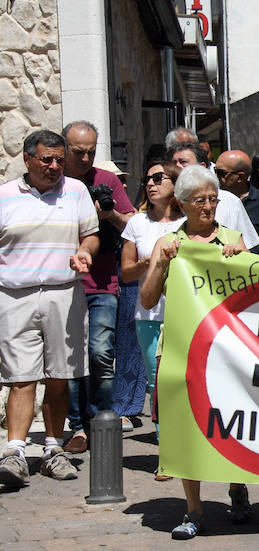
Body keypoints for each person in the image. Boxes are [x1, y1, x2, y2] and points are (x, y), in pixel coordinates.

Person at [139, 165, 251, 539]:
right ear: (182, 203)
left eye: (213, 199)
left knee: (233, 421)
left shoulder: (233, 238)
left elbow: (256, 294)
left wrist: (243, 260)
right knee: (186, 426)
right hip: (182, 348)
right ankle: (194, 509)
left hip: (228, 350)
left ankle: (237, 487)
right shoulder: (168, 243)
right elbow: (148, 297)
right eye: (200, 200)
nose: (208, 206)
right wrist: (163, 263)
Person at [0, 130, 99, 487]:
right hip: (15, 296)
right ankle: (14, 453)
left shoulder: (76, 191)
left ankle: (54, 450)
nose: (55, 166)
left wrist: (85, 250)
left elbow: (90, 233)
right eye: (47, 159)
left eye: (59, 159)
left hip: (64, 293)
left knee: (59, 376)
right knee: (21, 378)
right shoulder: (5, 195)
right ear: (27, 160)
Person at [62, 121, 136, 453]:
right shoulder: (56, 181)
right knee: (71, 358)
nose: (87, 158)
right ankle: (78, 427)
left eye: (92, 151)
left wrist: (109, 214)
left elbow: (133, 224)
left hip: (104, 280)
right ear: (64, 149)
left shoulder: (106, 181)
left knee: (102, 353)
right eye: (79, 152)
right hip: (63, 282)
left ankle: (102, 421)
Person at [120, 160, 185, 480]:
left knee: (185, 382)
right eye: (147, 179)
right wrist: (151, 261)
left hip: (185, 314)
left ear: (176, 183)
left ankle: (191, 448)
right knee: (156, 384)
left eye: (159, 178)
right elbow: (126, 271)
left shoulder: (191, 222)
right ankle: (168, 452)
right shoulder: (136, 224)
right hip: (149, 315)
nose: (151, 183)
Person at [168, 142, 259, 251]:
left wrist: (238, 253)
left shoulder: (230, 201)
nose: (208, 207)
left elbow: (248, 250)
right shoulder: (162, 203)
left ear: (202, 166)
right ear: (181, 205)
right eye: (173, 163)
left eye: (183, 162)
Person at [215, 150, 259, 256]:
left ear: (240, 177)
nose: (215, 176)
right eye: (214, 170)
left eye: (220, 173)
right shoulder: (213, 201)